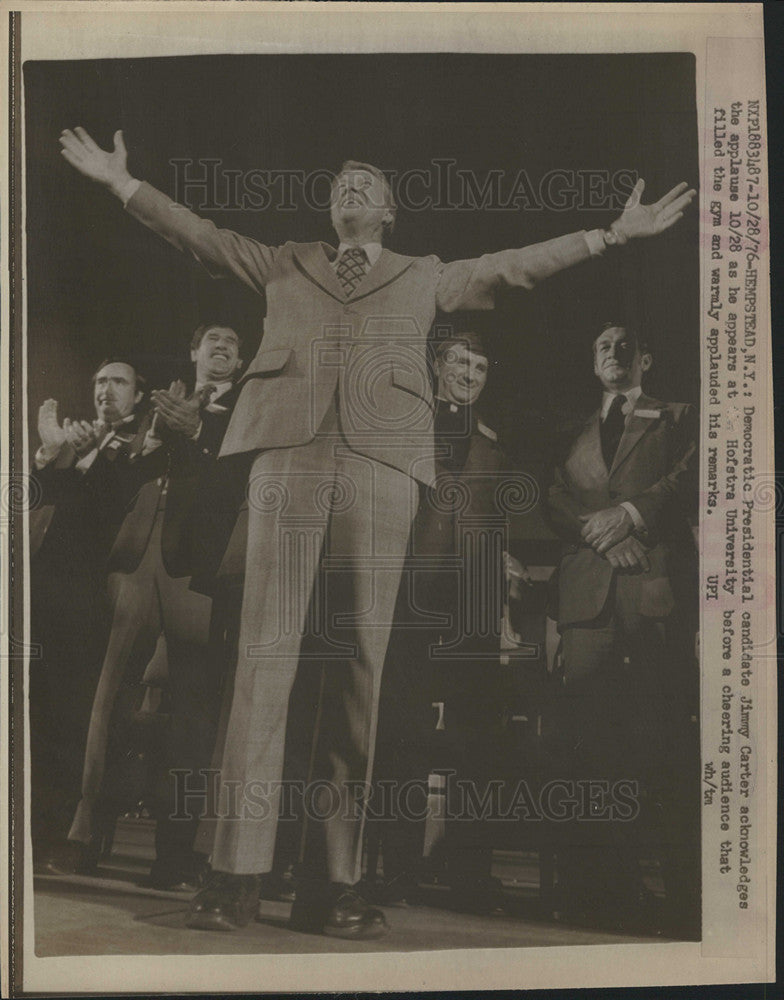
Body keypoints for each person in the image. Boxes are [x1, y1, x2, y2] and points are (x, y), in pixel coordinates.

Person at [59, 124, 695, 938]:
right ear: (330, 207)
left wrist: (610, 233)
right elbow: (199, 234)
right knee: (264, 664)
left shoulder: (426, 276)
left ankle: (334, 881)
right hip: (285, 460)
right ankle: (233, 873)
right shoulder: (284, 260)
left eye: (369, 182)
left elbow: (514, 265)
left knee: (356, 671)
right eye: (341, 181)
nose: (353, 187)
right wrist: (123, 183)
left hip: (383, 470)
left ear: (390, 211)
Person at [51, 326, 243, 890]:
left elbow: (238, 481)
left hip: (198, 574)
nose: (221, 347)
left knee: (193, 716)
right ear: (192, 351)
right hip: (134, 566)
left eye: (233, 342)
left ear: (242, 359)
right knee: (105, 704)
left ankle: (177, 855)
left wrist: (201, 432)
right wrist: (153, 440)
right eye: (211, 338)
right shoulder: (158, 404)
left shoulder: (248, 411)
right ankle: (84, 838)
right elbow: (121, 477)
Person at [544, 323, 699, 937]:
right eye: (604, 344)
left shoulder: (679, 415)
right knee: (589, 749)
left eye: (627, 344)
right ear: (593, 361)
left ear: (648, 358)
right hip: (586, 605)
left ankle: (685, 899)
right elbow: (552, 499)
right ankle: (603, 896)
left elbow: (694, 472)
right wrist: (607, 539)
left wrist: (633, 515)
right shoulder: (572, 432)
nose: (615, 351)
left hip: (652, 602)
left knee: (661, 745)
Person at [373, 322, 524, 912]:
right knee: (402, 736)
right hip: (411, 597)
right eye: (460, 363)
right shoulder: (402, 422)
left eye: (480, 368)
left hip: (477, 608)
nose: (469, 375)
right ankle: (399, 870)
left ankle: (469, 876)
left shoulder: (493, 438)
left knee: (479, 742)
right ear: (437, 365)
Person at [30, 359, 146, 868]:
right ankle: (28, 833)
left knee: (73, 716)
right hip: (42, 588)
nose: (106, 389)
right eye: (99, 381)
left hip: (92, 594)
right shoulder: (81, 441)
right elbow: (40, 504)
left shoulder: (141, 446)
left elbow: (114, 506)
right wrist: (53, 454)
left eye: (118, 382)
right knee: (32, 711)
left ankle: (62, 836)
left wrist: (86, 454)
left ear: (138, 396)